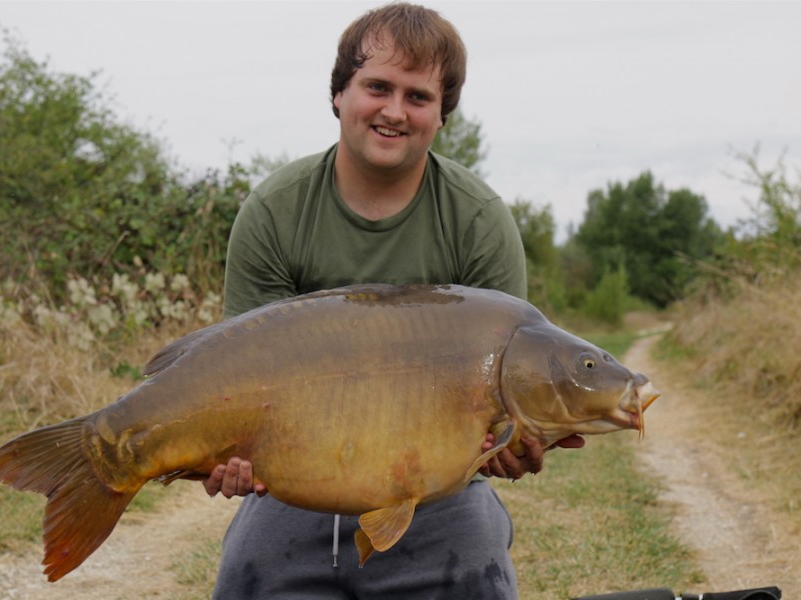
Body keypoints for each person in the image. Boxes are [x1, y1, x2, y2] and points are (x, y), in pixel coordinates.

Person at [206, 3, 583, 598]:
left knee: (479, 573)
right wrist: (233, 454)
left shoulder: (478, 220)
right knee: (245, 576)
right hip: (301, 483)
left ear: (442, 115)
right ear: (338, 94)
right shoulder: (276, 211)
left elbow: (503, 401)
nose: (393, 111)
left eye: (417, 96)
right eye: (377, 86)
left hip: (440, 490)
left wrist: (514, 445)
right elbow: (239, 377)